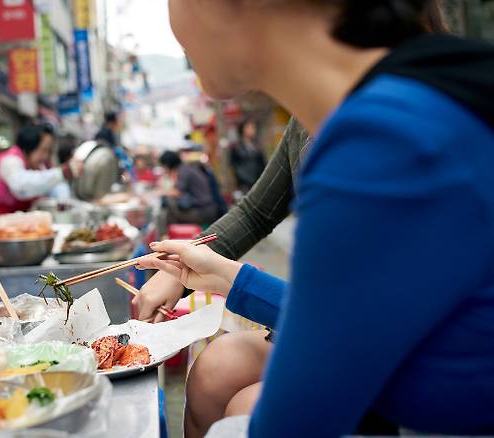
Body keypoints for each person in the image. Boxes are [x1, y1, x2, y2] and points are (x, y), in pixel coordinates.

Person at [139, 0, 494, 436]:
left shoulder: (381, 140)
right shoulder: (416, 96)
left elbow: (295, 420)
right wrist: (217, 275)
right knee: (220, 370)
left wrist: (233, 280)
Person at [0, 124, 77, 218]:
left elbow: (54, 186)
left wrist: (63, 202)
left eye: (49, 151)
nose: (46, 156)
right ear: (29, 146)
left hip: (4, 221)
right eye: (43, 150)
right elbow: (21, 186)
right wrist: (62, 172)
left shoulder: (37, 164)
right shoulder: (10, 160)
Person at [159, 150, 225, 226]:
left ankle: (170, 235)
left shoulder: (184, 171)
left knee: (168, 207)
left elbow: (177, 192)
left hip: (204, 212)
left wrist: (159, 193)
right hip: (207, 209)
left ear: (167, 164)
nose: (164, 169)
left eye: (163, 166)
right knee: (170, 211)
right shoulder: (186, 168)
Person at [230, 119, 266, 193]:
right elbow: (233, 166)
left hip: (259, 183)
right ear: (243, 129)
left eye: (254, 127)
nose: (253, 130)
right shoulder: (236, 148)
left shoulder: (257, 146)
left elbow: (263, 164)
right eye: (250, 127)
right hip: (245, 185)